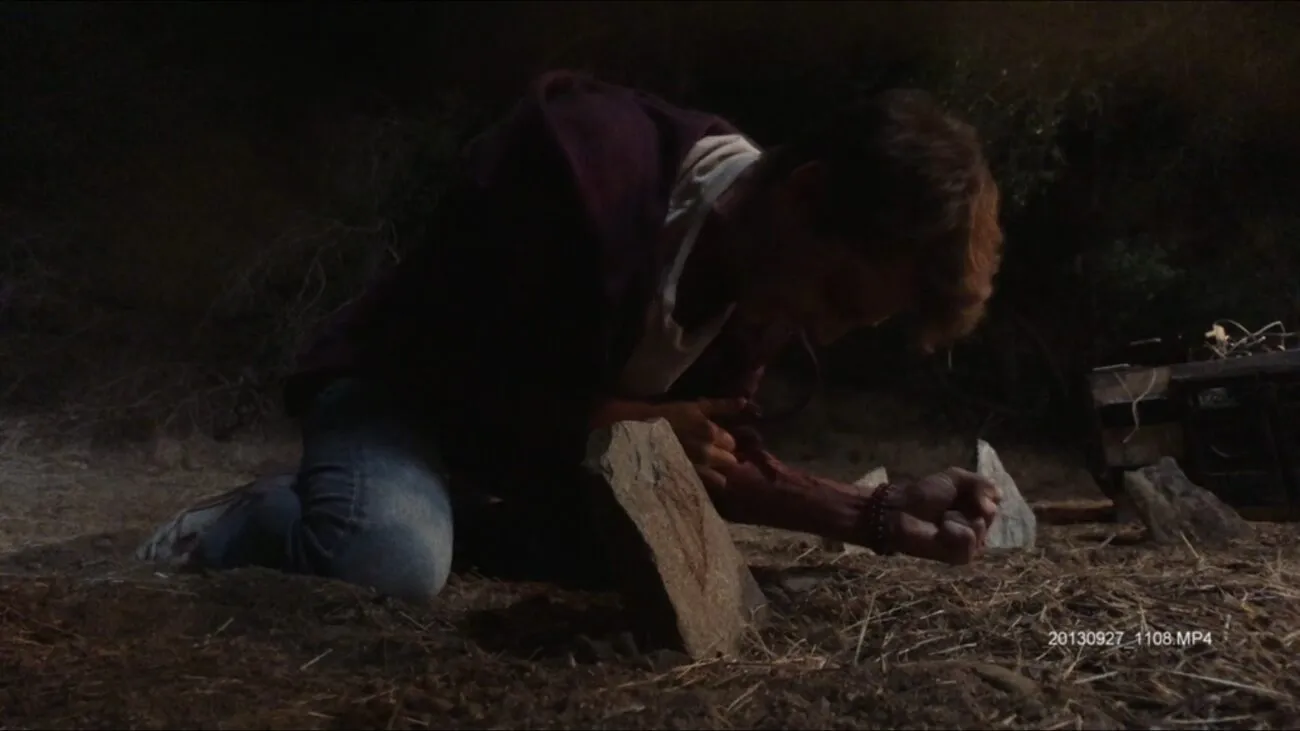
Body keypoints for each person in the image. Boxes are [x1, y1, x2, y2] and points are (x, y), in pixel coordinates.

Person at [137, 71, 1005, 599]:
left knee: (618, 563)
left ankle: (429, 516)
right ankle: (253, 520)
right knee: (391, 559)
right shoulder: (584, 164)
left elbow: (707, 455)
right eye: (842, 296)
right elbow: (440, 364)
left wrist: (875, 513)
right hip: (399, 402)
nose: (828, 329)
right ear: (806, 198)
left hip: (520, 463)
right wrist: (619, 425)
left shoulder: (762, 283)